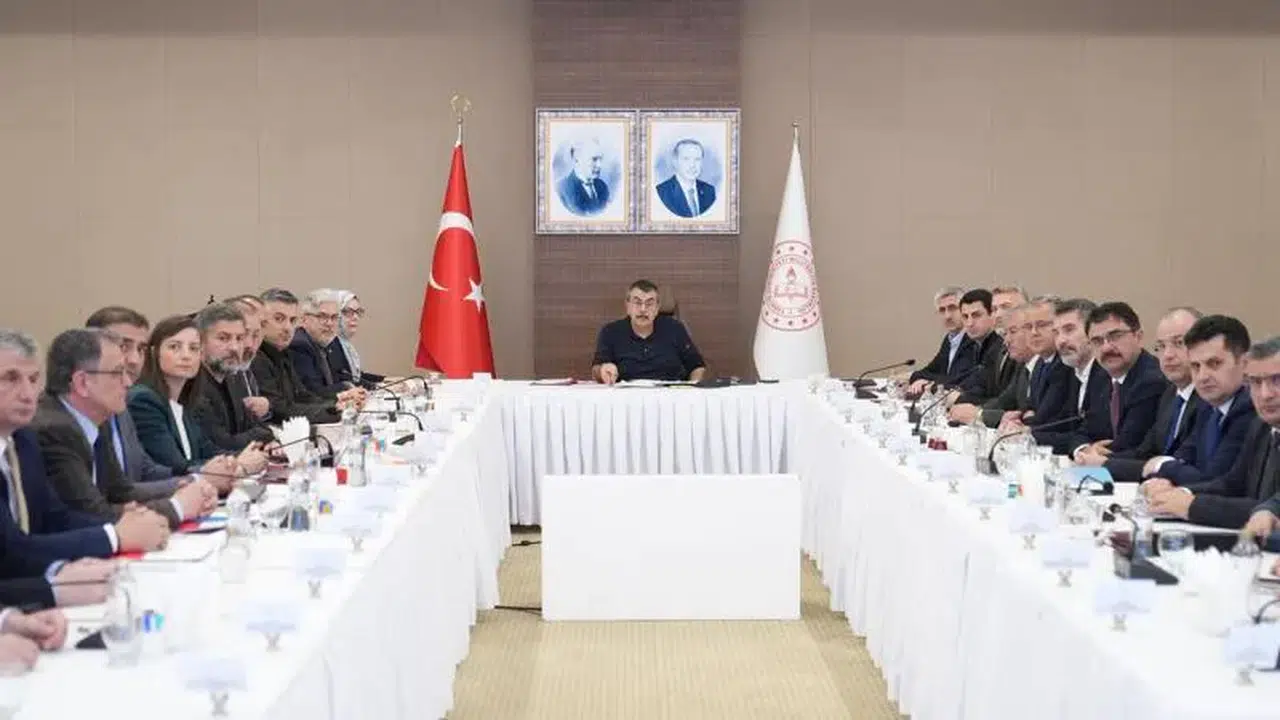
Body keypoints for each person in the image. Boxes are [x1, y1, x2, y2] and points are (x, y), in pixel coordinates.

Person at [0, 329, 169, 570]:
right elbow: (10, 550)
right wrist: (115, 537)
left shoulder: (22, 441)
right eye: (10, 379)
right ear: (81, 383)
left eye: (34, 379)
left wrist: (127, 525)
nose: (28, 394)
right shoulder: (49, 429)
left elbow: (56, 518)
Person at [30, 330, 216, 530]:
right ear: (82, 383)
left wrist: (190, 486)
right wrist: (178, 507)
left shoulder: (97, 420)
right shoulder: (54, 430)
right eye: (118, 373)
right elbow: (92, 515)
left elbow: (120, 492)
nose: (128, 382)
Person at [1140, 316, 1257, 518]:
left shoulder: (1252, 410)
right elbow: (1184, 457)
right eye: (1195, 366)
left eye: (1214, 363)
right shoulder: (1207, 407)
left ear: (1244, 364)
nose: (1202, 377)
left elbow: (1217, 478)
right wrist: (1163, 482)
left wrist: (1168, 474)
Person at [127, 315, 269, 480]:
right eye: (174, 347)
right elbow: (175, 466)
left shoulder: (185, 403)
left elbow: (208, 451)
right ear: (154, 352)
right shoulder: (144, 401)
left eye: (193, 348)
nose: (186, 356)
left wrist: (254, 454)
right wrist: (238, 465)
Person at [1083, 307, 1201, 480]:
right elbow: (1145, 452)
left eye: (1179, 343)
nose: (1168, 355)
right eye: (1161, 346)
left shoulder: (1207, 400)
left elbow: (1180, 465)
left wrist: (1104, 464)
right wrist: (1096, 460)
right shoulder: (1171, 395)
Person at [83, 307, 186, 496]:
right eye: (123, 346)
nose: (135, 360)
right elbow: (110, 494)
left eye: (141, 349)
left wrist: (198, 479)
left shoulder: (121, 408)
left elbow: (145, 471)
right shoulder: (74, 416)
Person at [1069, 302, 1169, 459]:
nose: (1106, 348)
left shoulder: (1151, 380)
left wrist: (1093, 453)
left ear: (1138, 336)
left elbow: (1129, 445)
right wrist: (1084, 449)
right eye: (1097, 341)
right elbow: (1083, 431)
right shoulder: (1102, 378)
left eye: (1115, 337)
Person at [252, 288, 350, 424]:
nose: (287, 327)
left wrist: (336, 406)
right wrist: (335, 410)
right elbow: (279, 410)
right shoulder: (255, 358)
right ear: (260, 322)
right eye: (279, 319)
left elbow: (303, 396)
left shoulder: (282, 353)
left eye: (292, 320)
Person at [188, 303, 276, 452]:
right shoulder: (192, 386)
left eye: (239, 338)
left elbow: (254, 426)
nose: (234, 347)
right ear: (200, 342)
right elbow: (223, 444)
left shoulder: (234, 378)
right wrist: (264, 435)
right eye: (223, 338)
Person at [591, 280, 707, 384]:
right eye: (637, 303)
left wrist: (692, 390)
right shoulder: (611, 332)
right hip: (626, 396)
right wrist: (602, 371)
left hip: (669, 395)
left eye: (649, 304)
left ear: (657, 308)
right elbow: (596, 370)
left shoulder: (675, 329)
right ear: (628, 306)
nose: (643, 309)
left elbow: (697, 367)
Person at [908, 286, 973, 394]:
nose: (947, 316)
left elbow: (958, 379)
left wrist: (928, 381)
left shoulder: (973, 340)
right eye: (942, 310)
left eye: (952, 308)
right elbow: (929, 370)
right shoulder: (949, 340)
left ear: (965, 310)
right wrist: (919, 378)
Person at [950, 289, 1004, 402]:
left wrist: (961, 398)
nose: (970, 323)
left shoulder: (1000, 347)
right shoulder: (970, 345)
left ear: (992, 314)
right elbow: (964, 380)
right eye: (965, 317)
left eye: (976, 315)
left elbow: (991, 394)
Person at [329, 290, 385, 390]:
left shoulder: (345, 344)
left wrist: (385, 380)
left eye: (358, 312)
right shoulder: (330, 344)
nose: (355, 317)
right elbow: (344, 380)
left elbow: (356, 377)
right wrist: (380, 386)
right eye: (348, 312)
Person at [655, 139, 716, 218]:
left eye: (697, 159)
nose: (692, 165)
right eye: (686, 159)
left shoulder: (709, 191)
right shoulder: (662, 192)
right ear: (675, 162)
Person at [557, 138, 610, 216]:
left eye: (600, 159)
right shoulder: (562, 189)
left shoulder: (603, 186)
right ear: (576, 160)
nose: (599, 165)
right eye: (594, 159)